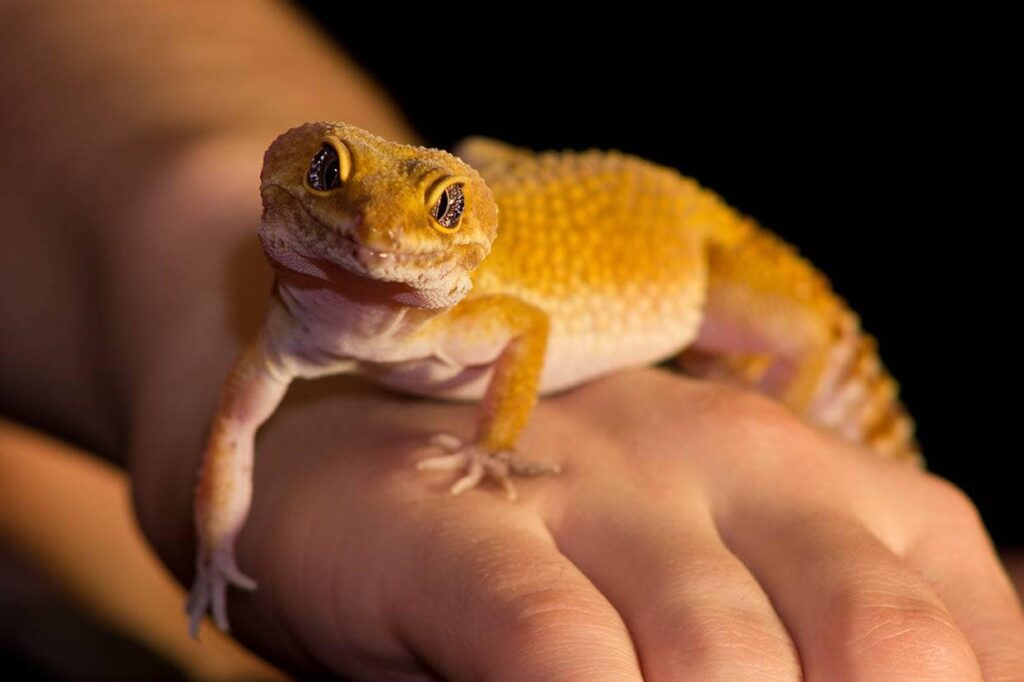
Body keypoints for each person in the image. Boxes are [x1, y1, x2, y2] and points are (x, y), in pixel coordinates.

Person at [1, 2, 1020, 679]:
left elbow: (528, 324)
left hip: (708, 256)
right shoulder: (320, 289)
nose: (375, 228)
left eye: (435, 209)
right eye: (329, 179)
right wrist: (174, 313)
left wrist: (738, 409)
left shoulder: (531, 290)